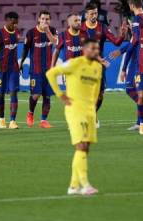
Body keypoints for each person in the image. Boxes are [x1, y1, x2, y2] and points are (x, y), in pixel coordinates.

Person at [46, 38, 102, 196]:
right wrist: (60, 94)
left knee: (86, 148)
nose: (95, 51)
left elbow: (96, 90)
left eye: (97, 48)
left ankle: (73, 186)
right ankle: (85, 185)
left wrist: (93, 107)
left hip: (89, 111)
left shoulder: (98, 67)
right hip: (75, 110)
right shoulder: (75, 63)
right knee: (81, 146)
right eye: (92, 48)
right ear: (84, 49)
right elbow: (51, 73)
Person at [110, 0, 143, 131]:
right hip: (142, 57)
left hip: (138, 59)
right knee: (139, 91)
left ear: (131, 5)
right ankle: (140, 121)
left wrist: (123, 63)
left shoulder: (138, 20)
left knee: (130, 88)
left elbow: (135, 42)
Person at [82, 3, 128, 127]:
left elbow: (116, 42)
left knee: (100, 94)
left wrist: (123, 34)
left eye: (96, 13)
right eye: (91, 13)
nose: (94, 16)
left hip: (99, 66)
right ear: (86, 15)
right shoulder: (81, 29)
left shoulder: (102, 27)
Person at [20, 10, 58, 129]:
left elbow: (56, 43)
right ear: (38, 19)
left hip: (49, 69)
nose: (45, 21)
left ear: (50, 20)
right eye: (43, 19)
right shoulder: (31, 33)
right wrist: (21, 63)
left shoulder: (52, 31)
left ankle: (43, 120)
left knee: (47, 96)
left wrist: (47, 32)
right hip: (36, 69)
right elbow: (25, 49)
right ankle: (30, 113)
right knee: (36, 94)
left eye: (47, 19)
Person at [0, 12, 21, 129]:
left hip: (13, 69)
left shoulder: (17, 32)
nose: (15, 24)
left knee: (13, 93)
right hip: (1, 69)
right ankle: (2, 119)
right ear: (7, 20)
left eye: (16, 21)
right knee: (0, 94)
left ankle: (12, 121)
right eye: (13, 21)